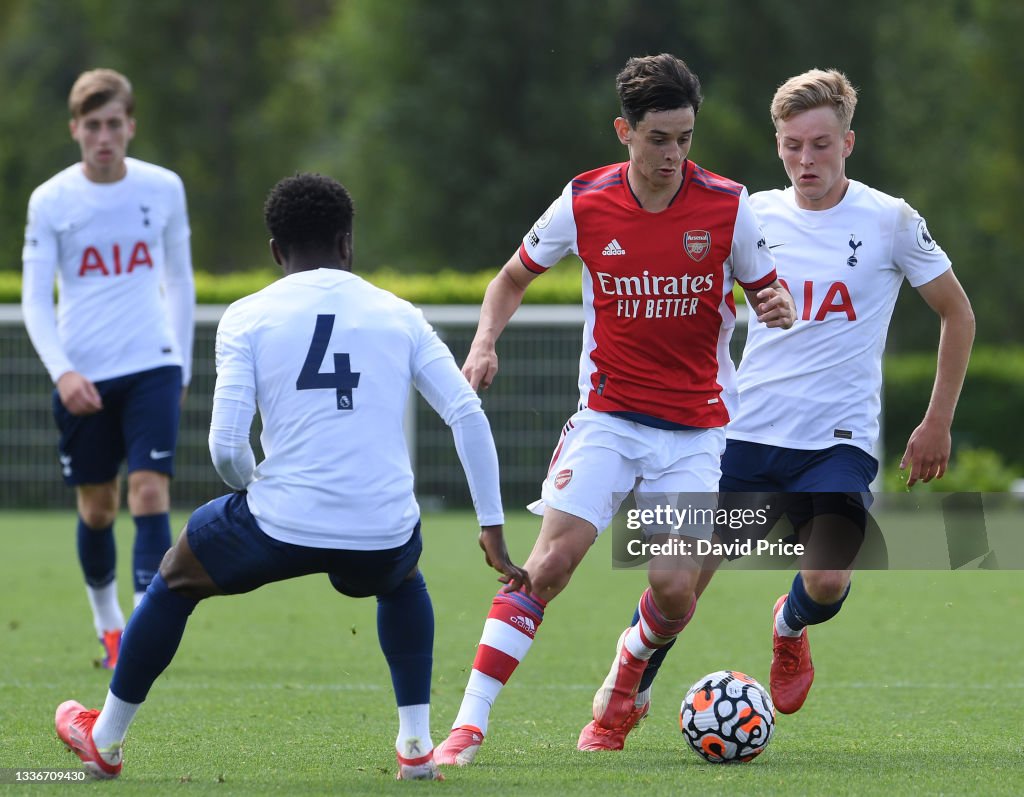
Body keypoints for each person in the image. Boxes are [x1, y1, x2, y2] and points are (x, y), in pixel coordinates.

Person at [52, 173, 529, 782]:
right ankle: (415, 747)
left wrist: (258, 492)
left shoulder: (247, 315)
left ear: (276, 251)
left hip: (277, 522)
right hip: (381, 527)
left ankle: (105, 740)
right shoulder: (398, 313)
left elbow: (226, 448)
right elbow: (466, 412)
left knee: (174, 577)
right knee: (403, 580)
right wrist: (491, 523)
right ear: (347, 243)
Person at [585, 68, 976, 750]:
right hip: (741, 437)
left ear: (848, 142)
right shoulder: (748, 213)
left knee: (826, 578)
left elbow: (957, 312)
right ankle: (624, 694)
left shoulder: (891, 220)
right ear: (777, 143)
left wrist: (936, 419)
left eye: (820, 144)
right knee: (681, 586)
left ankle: (789, 628)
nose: (806, 161)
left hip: (838, 441)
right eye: (792, 145)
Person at [434, 53, 796, 766]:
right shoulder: (584, 200)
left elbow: (767, 292)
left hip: (697, 433)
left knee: (673, 589)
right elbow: (510, 279)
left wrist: (776, 306)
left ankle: (627, 675)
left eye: (685, 138)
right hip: (609, 416)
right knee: (549, 564)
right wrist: (482, 344)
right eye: (659, 138)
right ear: (623, 132)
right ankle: (467, 724)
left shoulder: (728, 205)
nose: (673, 155)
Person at [21, 68, 195, 669]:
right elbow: (34, 299)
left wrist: (182, 365)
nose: (104, 136)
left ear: (130, 126)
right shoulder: (50, 200)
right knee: (98, 506)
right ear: (75, 129)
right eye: (92, 125)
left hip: (153, 365)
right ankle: (109, 625)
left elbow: (180, 279)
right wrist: (62, 372)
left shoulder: (163, 188)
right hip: (82, 375)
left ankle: (144, 629)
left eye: (114, 124)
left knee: (149, 490)